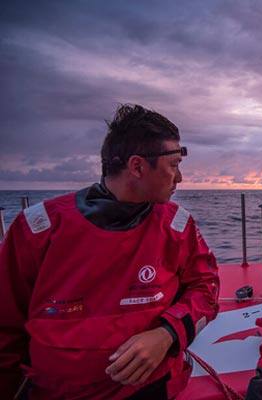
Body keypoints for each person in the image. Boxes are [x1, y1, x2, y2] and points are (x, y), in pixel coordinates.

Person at [0, 104, 220, 399]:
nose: (179, 178)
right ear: (138, 167)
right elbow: (5, 325)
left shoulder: (176, 226)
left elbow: (205, 289)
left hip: (152, 389)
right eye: (174, 165)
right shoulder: (39, 229)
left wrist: (166, 334)